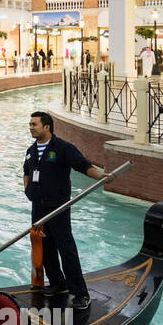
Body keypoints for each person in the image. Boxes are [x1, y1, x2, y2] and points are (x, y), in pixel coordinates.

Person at [24, 110, 106, 312]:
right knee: (45, 248)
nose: (31, 127)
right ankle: (58, 284)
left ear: (46, 126)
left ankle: (80, 293)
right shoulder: (31, 150)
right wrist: (28, 191)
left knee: (66, 249)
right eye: (30, 124)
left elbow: (82, 165)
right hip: (38, 208)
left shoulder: (63, 148)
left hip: (58, 208)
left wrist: (101, 177)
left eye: (34, 124)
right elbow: (26, 172)